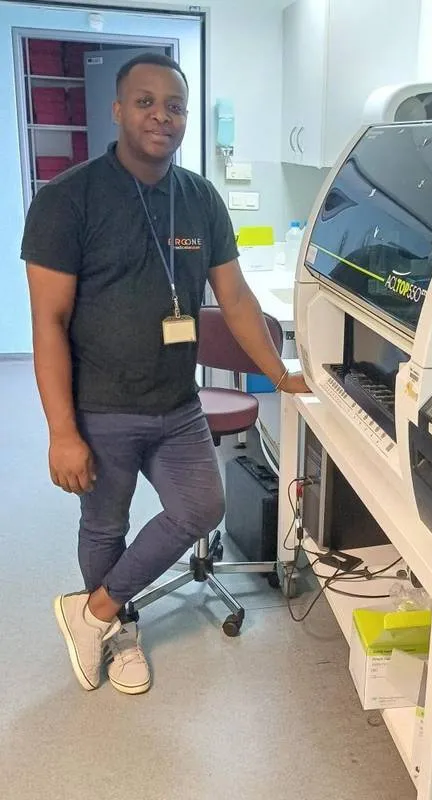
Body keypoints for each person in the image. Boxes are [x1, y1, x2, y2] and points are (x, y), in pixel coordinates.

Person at [21, 53, 309, 696]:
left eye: (174, 106)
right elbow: (49, 323)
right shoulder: (68, 200)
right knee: (106, 526)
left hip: (177, 403)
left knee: (202, 507)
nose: (162, 116)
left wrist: (280, 371)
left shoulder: (199, 199)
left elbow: (236, 299)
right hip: (101, 405)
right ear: (118, 110)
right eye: (145, 102)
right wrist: (62, 432)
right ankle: (121, 632)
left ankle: (94, 612)